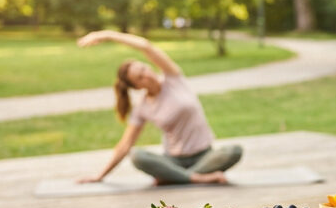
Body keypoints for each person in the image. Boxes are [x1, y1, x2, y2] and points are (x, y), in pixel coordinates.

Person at [76, 30, 242, 185]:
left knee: (233, 151)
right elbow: (125, 145)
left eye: (143, 68)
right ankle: (195, 177)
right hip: (172, 159)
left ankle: (174, 177)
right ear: (137, 87)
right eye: (140, 78)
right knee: (137, 156)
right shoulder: (142, 107)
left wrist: (107, 34)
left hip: (205, 156)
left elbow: (146, 46)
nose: (147, 75)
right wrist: (100, 176)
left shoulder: (173, 77)